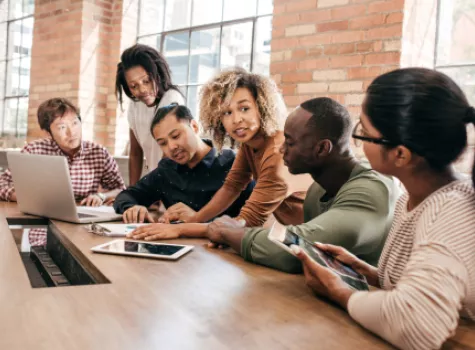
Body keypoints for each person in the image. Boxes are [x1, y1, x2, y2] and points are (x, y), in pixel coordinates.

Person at [291, 68, 475, 349]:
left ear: (401, 154)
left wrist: (337, 290)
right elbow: (429, 285)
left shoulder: (451, 209)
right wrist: (363, 271)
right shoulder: (411, 197)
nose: (358, 141)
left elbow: (415, 324)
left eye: (364, 132)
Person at [203, 97, 400, 272]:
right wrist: (233, 234)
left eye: (290, 142)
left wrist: (226, 232)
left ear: (322, 148)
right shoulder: (317, 191)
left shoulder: (372, 190)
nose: (281, 149)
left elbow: (295, 251)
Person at [128, 68, 308, 240]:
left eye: (244, 108)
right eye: (227, 113)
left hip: (317, 236)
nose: (236, 120)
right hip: (299, 231)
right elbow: (231, 187)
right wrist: (194, 219)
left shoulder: (278, 153)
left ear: (262, 106)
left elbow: (246, 223)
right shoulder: (250, 144)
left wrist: (179, 229)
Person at [114, 103, 254, 224]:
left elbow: (251, 222)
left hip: (222, 252)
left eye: (176, 136)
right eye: (163, 143)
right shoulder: (166, 171)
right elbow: (126, 196)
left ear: (194, 126)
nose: (171, 147)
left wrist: (198, 219)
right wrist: (132, 208)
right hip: (174, 249)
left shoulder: (234, 165)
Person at [0, 97, 125, 205]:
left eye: (75, 123)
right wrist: (27, 199)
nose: (71, 132)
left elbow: (120, 189)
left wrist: (101, 196)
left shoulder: (99, 153)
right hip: (41, 218)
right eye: (62, 127)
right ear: (48, 132)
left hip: (83, 216)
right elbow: (2, 184)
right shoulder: (34, 150)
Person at [116, 44, 185, 185]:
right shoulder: (135, 105)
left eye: (146, 81)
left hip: (177, 181)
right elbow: (135, 153)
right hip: (158, 182)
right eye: (134, 86)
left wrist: (154, 192)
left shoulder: (172, 99)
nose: (142, 90)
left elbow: (170, 153)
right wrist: (133, 193)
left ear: (157, 74)